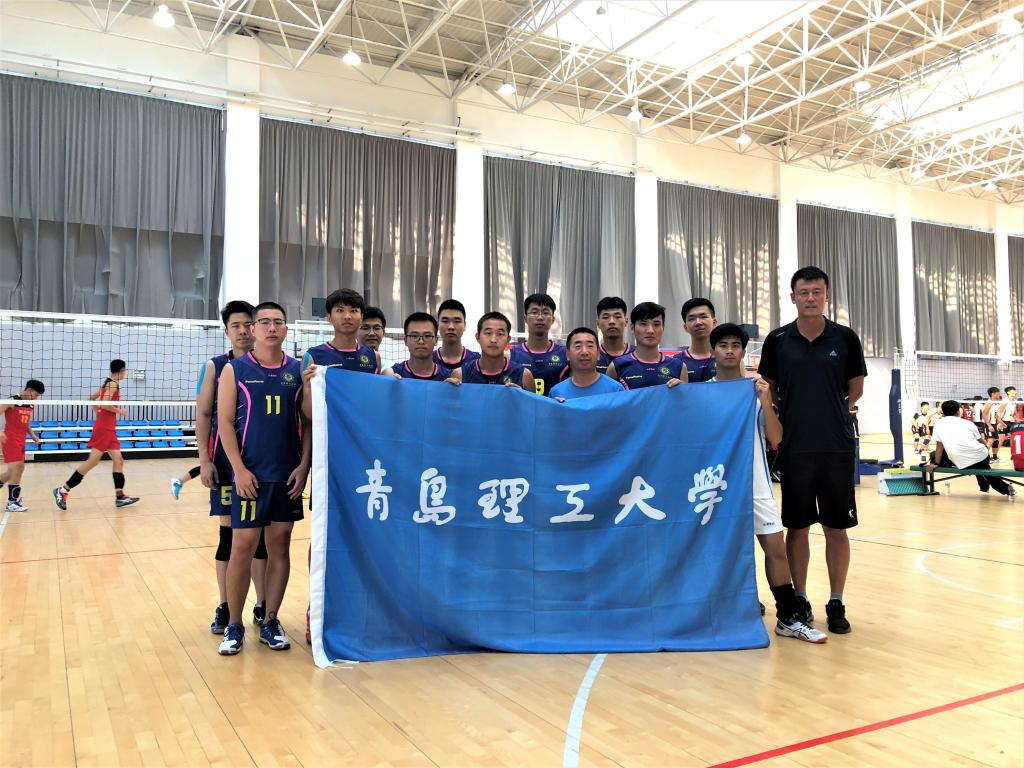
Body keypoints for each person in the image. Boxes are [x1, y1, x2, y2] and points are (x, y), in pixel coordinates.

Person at [757, 266, 866, 635]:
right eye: (804, 292)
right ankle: (800, 598)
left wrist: (831, 414)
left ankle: (836, 601)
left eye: (817, 292)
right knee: (797, 527)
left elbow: (856, 388)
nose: (810, 298)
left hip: (836, 448)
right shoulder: (777, 340)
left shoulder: (846, 338)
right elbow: (768, 387)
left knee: (837, 528)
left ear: (827, 295)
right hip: (795, 448)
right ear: (793, 297)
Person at [708, 323, 827, 643]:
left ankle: (787, 616)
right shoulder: (702, 391)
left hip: (756, 483)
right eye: (723, 345)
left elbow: (776, 438)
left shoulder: (755, 390)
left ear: (743, 352)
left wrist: (765, 398)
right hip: (717, 486)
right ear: (713, 351)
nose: (729, 351)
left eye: (735, 345)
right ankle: (721, 613)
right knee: (719, 552)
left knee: (776, 548)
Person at [217, 302, 310, 655]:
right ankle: (234, 625)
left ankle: (270, 620)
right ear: (253, 329)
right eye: (265, 322)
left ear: (286, 329)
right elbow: (225, 423)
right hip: (250, 477)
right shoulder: (235, 369)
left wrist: (303, 467)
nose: (272, 327)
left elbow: (308, 422)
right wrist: (238, 470)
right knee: (242, 547)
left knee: (280, 547)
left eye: (278, 322)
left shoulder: (298, 370)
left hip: (286, 475)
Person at [191, 300, 268, 635]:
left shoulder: (272, 364)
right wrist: (204, 460)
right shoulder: (216, 366)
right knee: (229, 535)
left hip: (263, 462)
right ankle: (225, 605)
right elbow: (204, 414)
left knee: (260, 537)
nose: (243, 331)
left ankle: (263, 604)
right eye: (236, 326)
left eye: (248, 324)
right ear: (227, 331)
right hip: (225, 463)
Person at [53, 360, 139, 510]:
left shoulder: (106, 384)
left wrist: (99, 414)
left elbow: (92, 399)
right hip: (104, 428)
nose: (125, 373)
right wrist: (119, 411)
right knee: (92, 461)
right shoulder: (112, 384)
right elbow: (104, 404)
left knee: (118, 460)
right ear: (122, 370)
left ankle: (120, 496)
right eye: (125, 371)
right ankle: (63, 490)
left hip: (108, 428)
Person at [928, 400, 1014, 498]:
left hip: (961, 461)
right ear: (958, 411)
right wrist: (986, 450)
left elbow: (939, 446)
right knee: (981, 465)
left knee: (936, 454)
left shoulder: (938, 424)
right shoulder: (968, 423)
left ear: (943, 412)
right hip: (981, 457)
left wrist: (935, 463)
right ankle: (1003, 488)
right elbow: (981, 442)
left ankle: (986, 486)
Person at [606, 302, 687, 389]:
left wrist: (683, 389)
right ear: (632, 328)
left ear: (663, 327)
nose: (650, 330)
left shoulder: (678, 366)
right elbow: (609, 397)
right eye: (643, 324)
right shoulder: (617, 366)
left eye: (656, 324)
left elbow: (685, 397)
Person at [304, 289, 381, 374]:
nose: (347, 316)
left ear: (361, 318)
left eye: (353, 311)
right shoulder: (312, 357)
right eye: (340, 310)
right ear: (329, 317)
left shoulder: (374, 357)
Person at [510, 293, 568, 396]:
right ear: (525, 319)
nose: (540, 317)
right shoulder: (512, 355)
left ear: (553, 319)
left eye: (545, 313)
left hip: (554, 406)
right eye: (534, 312)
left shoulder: (565, 353)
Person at [0, 380, 45, 513]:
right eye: (36, 395)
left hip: (21, 440)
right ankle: (12, 502)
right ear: (30, 390)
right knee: (18, 468)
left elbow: (25, 422)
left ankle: (12, 501)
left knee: (14, 471)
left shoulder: (30, 404)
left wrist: (32, 435)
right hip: (10, 439)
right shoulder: (11, 401)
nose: (36, 398)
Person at [463, 312, 535, 390]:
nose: (493, 340)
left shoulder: (524, 376)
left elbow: (530, 398)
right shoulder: (461, 374)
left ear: (508, 339)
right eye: (488, 333)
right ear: (477, 337)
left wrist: (520, 395)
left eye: (500, 334)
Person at [551, 328, 626, 401]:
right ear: (567, 354)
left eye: (590, 346)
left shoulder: (616, 390)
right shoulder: (557, 392)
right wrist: (556, 407)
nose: (584, 352)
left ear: (598, 354)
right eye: (578, 346)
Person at [386, 313, 457, 382]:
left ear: (436, 340)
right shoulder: (392, 374)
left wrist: (450, 388)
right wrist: (390, 385)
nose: (421, 341)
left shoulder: (449, 377)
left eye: (427, 336)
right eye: (414, 336)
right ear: (405, 340)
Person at [679, 298, 718, 382]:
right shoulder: (676, 362)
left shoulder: (727, 357)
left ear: (714, 322)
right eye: (691, 319)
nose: (698, 322)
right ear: (685, 327)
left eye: (703, 317)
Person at [434, 299, 481, 369]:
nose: (451, 327)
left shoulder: (477, 361)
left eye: (457, 321)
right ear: (438, 324)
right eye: (445, 321)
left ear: (464, 325)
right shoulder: (428, 360)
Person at [595, 296, 634, 374]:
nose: (612, 321)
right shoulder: (591, 356)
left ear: (626, 321)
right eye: (606, 317)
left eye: (617, 317)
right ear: (598, 323)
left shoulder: (637, 354)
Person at [356, 306, 393, 370]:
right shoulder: (346, 365)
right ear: (355, 332)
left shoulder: (390, 368)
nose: (372, 333)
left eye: (377, 328)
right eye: (365, 328)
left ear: (383, 332)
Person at [982, 387, 1004, 461]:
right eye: (998, 393)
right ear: (993, 394)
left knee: (996, 441)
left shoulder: (995, 403)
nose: (999, 395)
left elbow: (996, 415)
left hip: (994, 424)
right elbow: (984, 414)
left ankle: (994, 457)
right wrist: (989, 425)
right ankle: (983, 458)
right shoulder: (989, 403)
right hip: (988, 424)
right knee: (990, 441)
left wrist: (1002, 423)